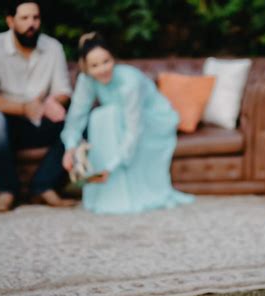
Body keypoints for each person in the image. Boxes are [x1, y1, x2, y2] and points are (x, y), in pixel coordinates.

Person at [61, 32, 194, 214]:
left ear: (113, 58)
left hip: (153, 119)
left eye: (106, 61)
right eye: (94, 65)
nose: (102, 69)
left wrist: (112, 165)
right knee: (102, 115)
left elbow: (134, 129)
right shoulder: (86, 80)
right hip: (118, 120)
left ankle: (119, 183)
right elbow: (76, 117)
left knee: (107, 115)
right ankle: (106, 189)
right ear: (85, 67)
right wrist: (70, 148)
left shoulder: (129, 82)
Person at [0, 0, 76, 212]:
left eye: (36, 18)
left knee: (82, 120)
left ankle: (43, 187)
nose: (32, 24)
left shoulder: (53, 47)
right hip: (3, 125)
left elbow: (64, 91)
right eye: (25, 18)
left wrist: (51, 102)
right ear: (10, 21)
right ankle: (8, 190)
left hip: (38, 121)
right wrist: (24, 108)